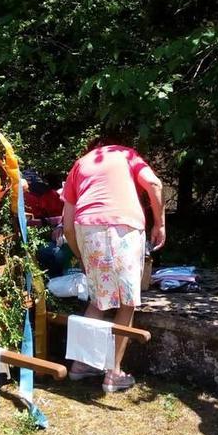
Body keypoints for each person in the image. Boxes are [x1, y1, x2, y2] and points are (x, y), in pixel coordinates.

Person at [61, 131, 166, 393]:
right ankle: (114, 374)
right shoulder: (126, 154)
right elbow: (155, 185)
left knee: (99, 299)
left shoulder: (80, 164)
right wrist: (160, 224)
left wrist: (81, 255)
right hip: (122, 227)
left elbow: (67, 225)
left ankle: (81, 365)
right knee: (127, 300)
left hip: (87, 228)